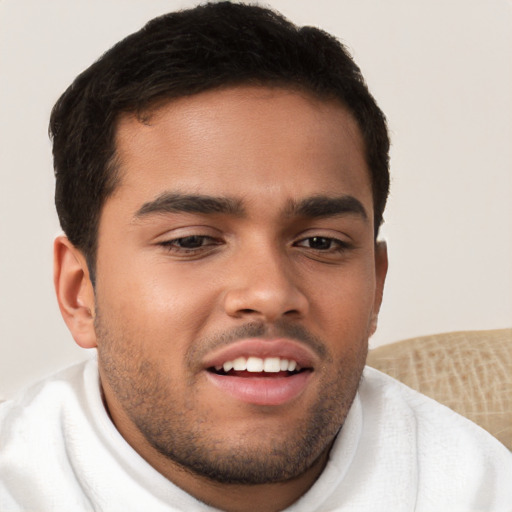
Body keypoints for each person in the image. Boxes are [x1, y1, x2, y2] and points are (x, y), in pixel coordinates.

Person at [0, 2, 510, 511]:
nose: (270, 293)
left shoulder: (479, 490)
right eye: (190, 241)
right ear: (79, 292)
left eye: (320, 243)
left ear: (375, 287)